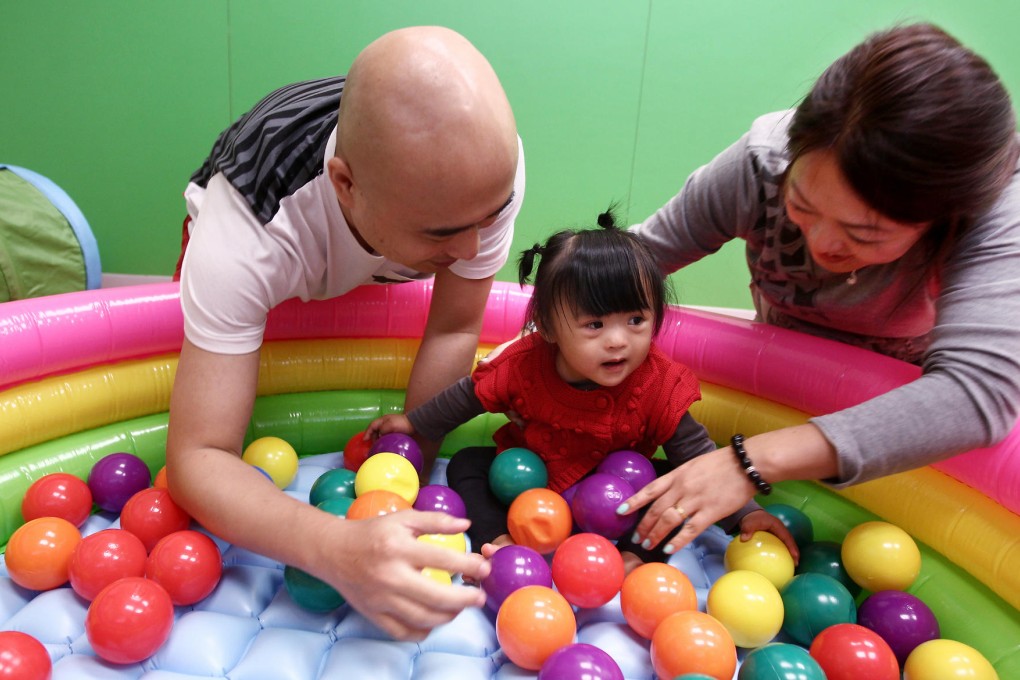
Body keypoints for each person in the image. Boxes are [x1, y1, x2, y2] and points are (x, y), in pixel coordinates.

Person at [166, 26, 526, 641]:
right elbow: (198, 455)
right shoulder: (247, 231)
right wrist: (335, 544)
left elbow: (456, 323)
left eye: (488, 217)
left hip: (373, 234)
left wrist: (404, 475)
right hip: (278, 227)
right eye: (442, 233)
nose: (473, 248)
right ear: (346, 184)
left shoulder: (479, 175)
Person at [619, 22, 1020, 556]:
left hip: (898, 407)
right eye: (802, 206)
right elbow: (635, 259)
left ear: (942, 220)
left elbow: (978, 394)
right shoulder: (765, 160)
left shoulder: (993, 212)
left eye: (865, 234)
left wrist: (746, 461)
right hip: (785, 378)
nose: (823, 245)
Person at [366, 212, 797, 571]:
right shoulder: (524, 366)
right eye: (594, 325)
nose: (617, 341)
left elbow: (698, 457)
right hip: (527, 483)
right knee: (467, 465)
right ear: (550, 329)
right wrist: (413, 422)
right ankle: (500, 542)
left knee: (670, 487)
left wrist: (746, 512)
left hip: (619, 499)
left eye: (635, 321)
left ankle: (632, 558)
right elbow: (466, 397)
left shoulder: (658, 384)